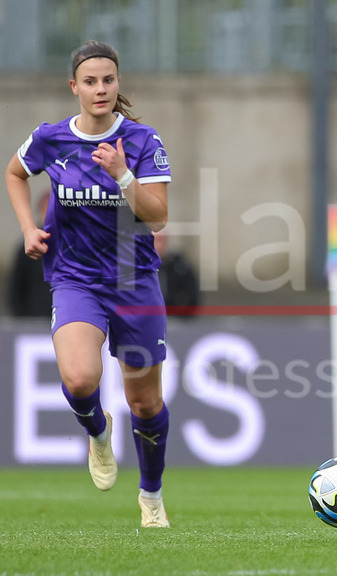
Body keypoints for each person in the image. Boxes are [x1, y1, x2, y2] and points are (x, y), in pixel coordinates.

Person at [5, 41, 173, 527]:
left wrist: (123, 176)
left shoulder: (142, 141)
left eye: (109, 80)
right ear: (74, 87)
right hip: (75, 278)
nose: (101, 89)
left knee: (145, 403)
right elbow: (15, 174)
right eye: (91, 81)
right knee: (79, 380)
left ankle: (151, 496)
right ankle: (99, 434)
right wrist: (28, 229)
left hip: (134, 282)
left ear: (118, 84)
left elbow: (158, 217)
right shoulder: (51, 138)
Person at [7, 192, 52, 318]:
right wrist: (21, 316)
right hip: (33, 317)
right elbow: (17, 286)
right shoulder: (27, 247)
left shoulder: (72, 245)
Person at [154, 230, 200, 317]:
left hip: (175, 318)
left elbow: (192, 298)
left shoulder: (180, 268)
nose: (160, 245)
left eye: (163, 240)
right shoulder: (138, 268)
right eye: (156, 240)